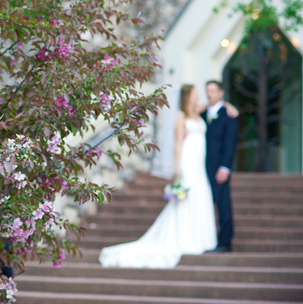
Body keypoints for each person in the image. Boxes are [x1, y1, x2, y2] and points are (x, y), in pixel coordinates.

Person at [98, 84, 217, 269]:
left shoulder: (197, 113)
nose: (198, 96)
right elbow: (178, 144)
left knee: (200, 195)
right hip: (188, 162)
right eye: (195, 93)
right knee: (187, 198)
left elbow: (212, 105)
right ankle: (186, 238)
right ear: (187, 97)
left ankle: (200, 238)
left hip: (199, 165)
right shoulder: (181, 117)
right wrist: (177, 168)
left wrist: (227, 106)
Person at [201, 80, 239, 253]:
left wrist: (225, 167)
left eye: (213, 91)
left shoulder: (228, 115)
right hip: (201, 167)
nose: (210, 94)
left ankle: (225, 242)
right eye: (208, 91)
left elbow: (230, 143)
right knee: (204, 204)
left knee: (223, 204)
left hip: (219, 167)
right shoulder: (202, 114)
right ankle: (206, 239)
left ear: (221, 93)